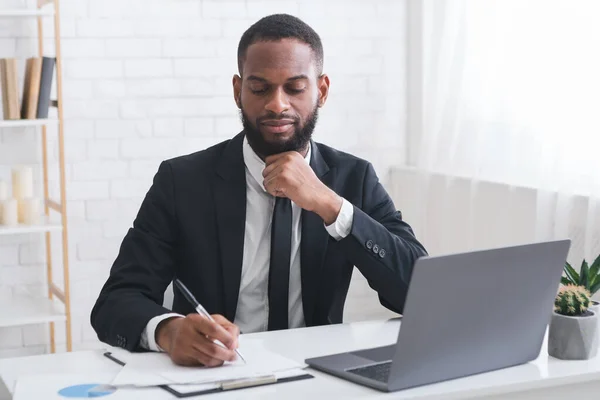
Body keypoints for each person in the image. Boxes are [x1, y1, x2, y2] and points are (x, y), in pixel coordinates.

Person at [90, 13, 427, 368]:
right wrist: (169, 331)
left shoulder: (353, 178)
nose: (277, 104)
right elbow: (116, 301)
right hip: (211, 377)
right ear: (238, 91)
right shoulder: (181, 181)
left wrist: (330, 205)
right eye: (260, 88)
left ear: (321, 91)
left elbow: (421, 295)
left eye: (295, 88)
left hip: (317, 378)